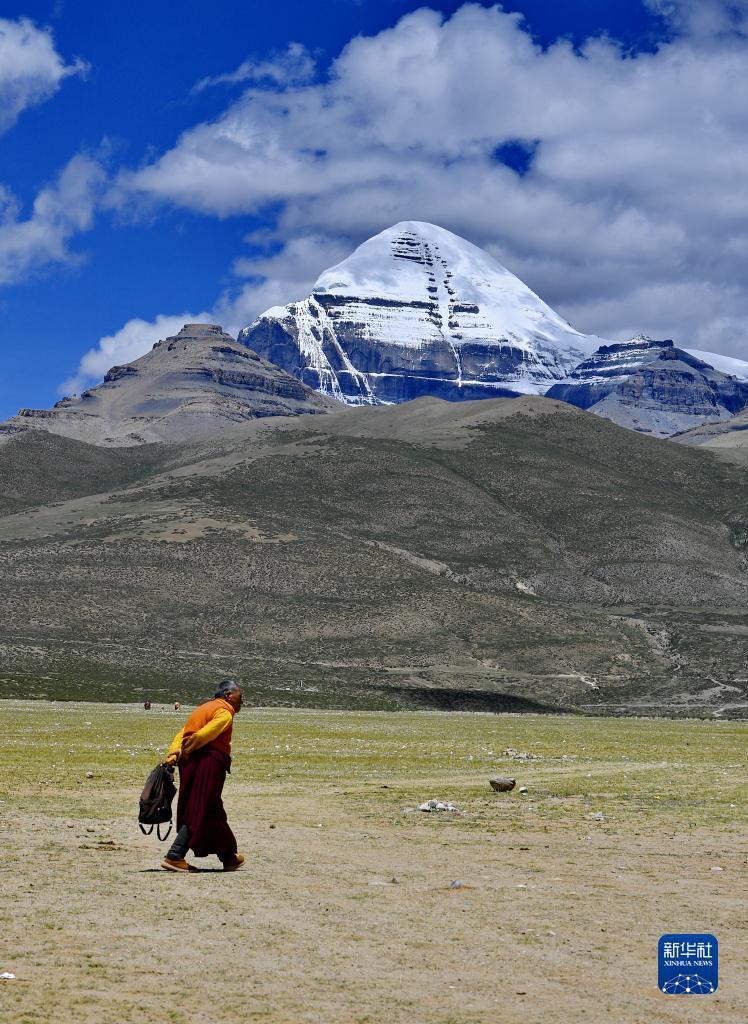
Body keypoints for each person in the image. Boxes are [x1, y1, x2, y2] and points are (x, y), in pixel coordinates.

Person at [160, 680, 245, 873]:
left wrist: (174, 753)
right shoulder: (224, 712)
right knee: (201, 807)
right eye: (240, 694)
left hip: (190, 764)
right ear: (229, 695)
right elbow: (205, 734)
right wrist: (189, 748)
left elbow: (183, 732)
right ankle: (175, 855)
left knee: (211, 809)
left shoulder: (203, 708)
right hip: (207, 763)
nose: (242, 699)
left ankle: (228, 857)